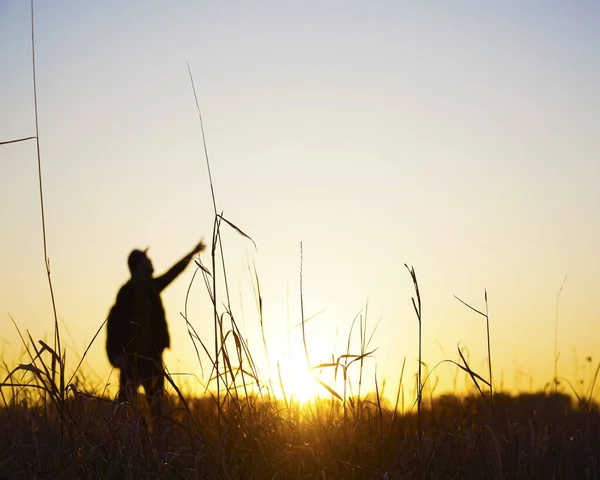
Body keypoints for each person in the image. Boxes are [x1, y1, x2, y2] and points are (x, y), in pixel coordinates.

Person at [106, 239, 206, 412]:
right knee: (124, 407)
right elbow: (113, 325)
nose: (151, 261)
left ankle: (158, 438)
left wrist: (192, 253)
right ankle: (122, 438)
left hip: (153, 359)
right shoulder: (127, 292)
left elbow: (174, 272)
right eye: (147, 259)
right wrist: (115, 355)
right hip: (132, 360)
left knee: (158, 407)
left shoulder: (152, 287)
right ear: (138, 266)